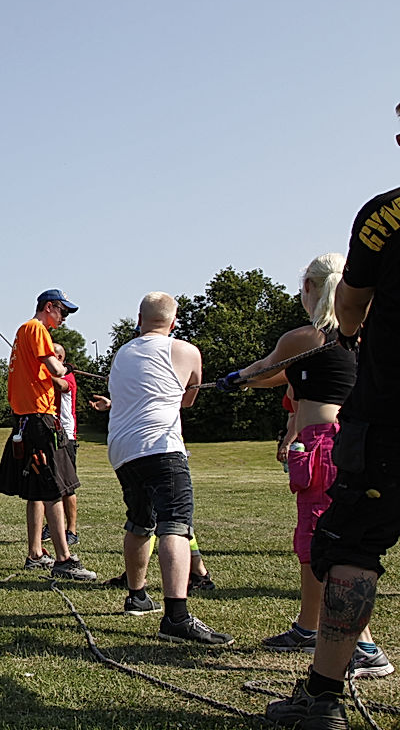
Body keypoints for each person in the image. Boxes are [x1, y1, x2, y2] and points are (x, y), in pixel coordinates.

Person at [266, 104, 400, 728]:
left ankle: (322, 696)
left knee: (350, 546)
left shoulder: (384, 215)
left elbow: (349, 314)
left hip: (388, 422)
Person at [221, 252, 390, 677]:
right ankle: (309, 626)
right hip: (348, 444)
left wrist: (235, 378)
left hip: (324, 448)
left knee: (326, 542)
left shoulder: (307, 337)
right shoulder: (353, 337)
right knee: (319, 541)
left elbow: (264, 370)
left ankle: (364, 646)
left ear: (311, 288)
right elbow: (282, 375)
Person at [89, 291, 231, 645]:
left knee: (140, 521)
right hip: (162, 447)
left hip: (123, 451)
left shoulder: (122, 353)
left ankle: (137, 596)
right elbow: (188, 398)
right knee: (175, 525)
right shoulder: (185, 350)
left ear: (139, 319)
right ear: (174, 321)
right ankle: (177, 617)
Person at [0, 289, 95, 581]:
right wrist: (65, 369)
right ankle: (64, 559)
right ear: (49, 307)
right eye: (63, 312)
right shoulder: (37, 329)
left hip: (26, 419)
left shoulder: (24, 331)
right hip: (40, 419)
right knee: (53, 486)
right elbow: (55, 368)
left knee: (37, 490)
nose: (64, 319)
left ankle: (36, 553)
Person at [42, 343, 79, 546]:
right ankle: (51, 526)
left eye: (55, 356)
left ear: (61, 359)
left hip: (66, 436)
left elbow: (61, 386)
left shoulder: (67, 377)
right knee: (50, 484)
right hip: (49, 432)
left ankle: (72, 530)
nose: (52, 359)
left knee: (68, 486)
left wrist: (43, 370)